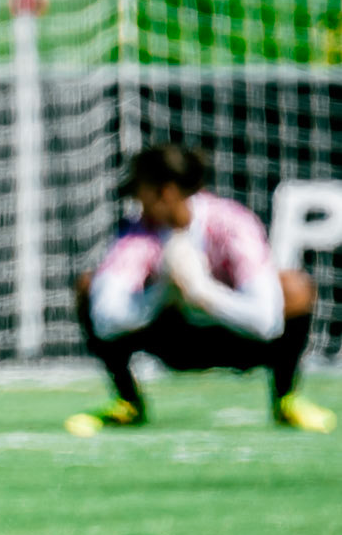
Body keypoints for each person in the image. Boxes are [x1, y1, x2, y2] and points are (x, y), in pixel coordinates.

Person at [66, 144, 335, 435]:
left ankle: (286, 400)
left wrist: (202, 293)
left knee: (294, 288)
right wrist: (164, 292)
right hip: (171, 336)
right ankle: (127, 404)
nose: (135, 200)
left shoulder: (231, 223)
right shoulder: (137, 232)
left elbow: (267, 321)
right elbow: (106, 319)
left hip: (233, 338)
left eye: (140, 191)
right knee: (89, 288)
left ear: (165, 192)